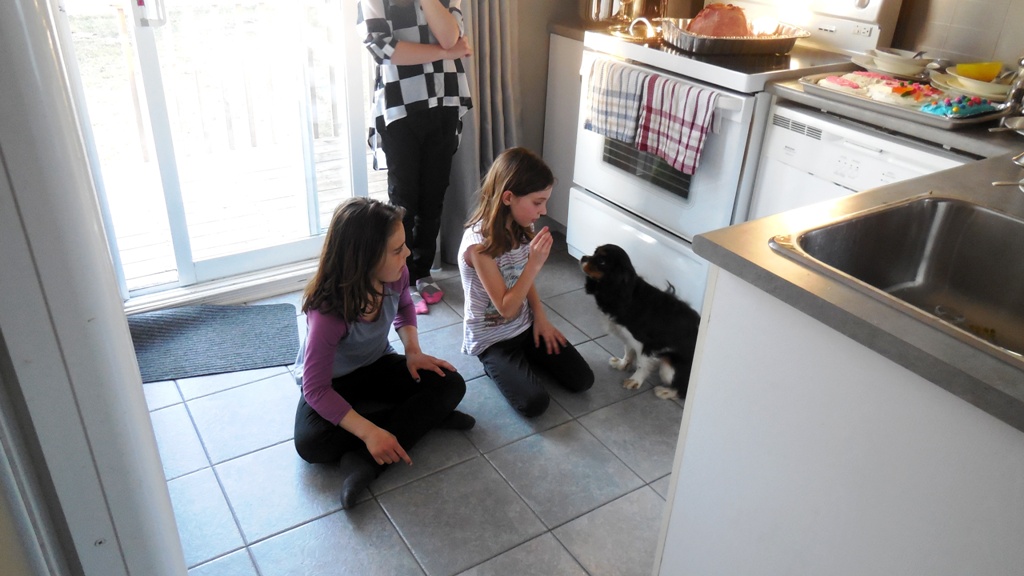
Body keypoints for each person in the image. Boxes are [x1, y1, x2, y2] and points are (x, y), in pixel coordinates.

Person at [293, 198, 474, 509]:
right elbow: (316, 389)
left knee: (451, 383)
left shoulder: (396, 274)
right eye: (397, 249)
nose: (408, 254)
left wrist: (413, 351)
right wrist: (368, 432)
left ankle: (364, 460)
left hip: (377, 362)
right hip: (333, 383)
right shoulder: (327, 312)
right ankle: (422, 419)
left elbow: (404, 306)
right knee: (310, 443)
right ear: (364, 259)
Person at [459, 148, 595, 417]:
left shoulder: (522, 228)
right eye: (537, 202)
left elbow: (522, 280)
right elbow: (506, 308)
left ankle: (526, 357)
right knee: (534, 403)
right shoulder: (478, 246)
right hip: (493, 339)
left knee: (583, 380)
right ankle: (495, 364)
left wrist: (540, 319)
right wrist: (534, 263)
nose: (543, 211)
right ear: (508, 197)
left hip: (525, 325)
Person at [358, 0, 473, 314]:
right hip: (399, 107)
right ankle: (398, 276)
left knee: (433, 196)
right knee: (403, 200)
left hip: (444, 102)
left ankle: (421, 272)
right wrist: (446, 53)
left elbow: (450, 36)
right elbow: (385, 49)